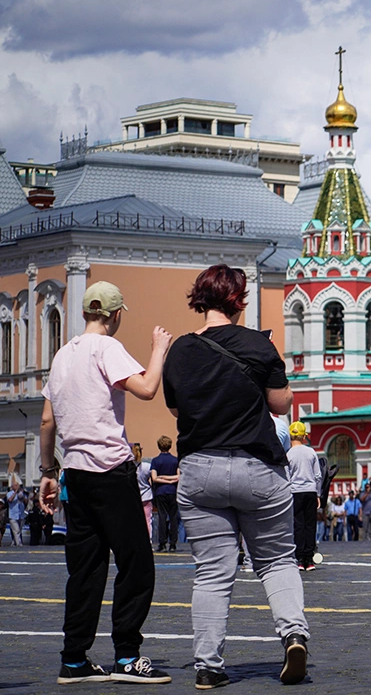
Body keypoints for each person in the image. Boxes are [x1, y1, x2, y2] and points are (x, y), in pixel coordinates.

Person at [163, 264, 309, 687]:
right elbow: (281, 404)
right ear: (238, 300)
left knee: (212, 573)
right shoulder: (258, 345)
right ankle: (294, 634)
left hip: (201, 469)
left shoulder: (180, 350)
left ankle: (208, 666)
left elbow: (176, 410)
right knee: (277, 561)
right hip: (257, 467)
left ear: (199, 299)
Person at [38, 280, 172, 684]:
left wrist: (48, 472)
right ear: (115, 315)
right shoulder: (108, 348)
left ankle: (75, 659)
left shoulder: (62, 356)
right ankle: (127, 656)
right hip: (111, 471)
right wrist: (159, 350)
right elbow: (146, 389)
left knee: (86, 569)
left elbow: (47, 422)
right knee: (136, 563)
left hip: (75, 473)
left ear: (83, 312)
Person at [286, 422, 322, 570]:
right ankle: (310, 559)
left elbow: (286, 477)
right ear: (304, 437)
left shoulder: (288, 454)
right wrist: (318, 494)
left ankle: (300, 559)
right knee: (310, 525)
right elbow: (318, 476)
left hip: (295, 492)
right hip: (310, 491)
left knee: (298, 525)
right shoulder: (311, 452)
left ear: (290, 436)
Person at [149, 436, 180, 552]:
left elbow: (154, 478)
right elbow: (179, 476)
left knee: (162, 517)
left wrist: (163, 477)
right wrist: (171, 480)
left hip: (160, 491)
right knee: (173, 517)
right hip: (173, 491)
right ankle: (173, 543)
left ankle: (162, 543)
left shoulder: (156, 461)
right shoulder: (175, 460)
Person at [132, 445, 153, 542]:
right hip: (146, 496)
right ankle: (148, 540)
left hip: (133, 496)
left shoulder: (129, 466)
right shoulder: (146, 466)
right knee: (147, 520)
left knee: (133, 520)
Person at [5, 476, 26, 546]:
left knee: (19, 531)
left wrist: (22, 494)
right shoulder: (9, 493)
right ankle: (19, 544)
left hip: (21, 515)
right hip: (13, 516)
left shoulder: (21, 493)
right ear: (12, 487)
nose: (17, 486)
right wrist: (15, 492)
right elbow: (10, 500)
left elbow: (26, 501)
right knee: (16, 530)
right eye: (16, 485)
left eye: (18, 485)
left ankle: (14, 542)